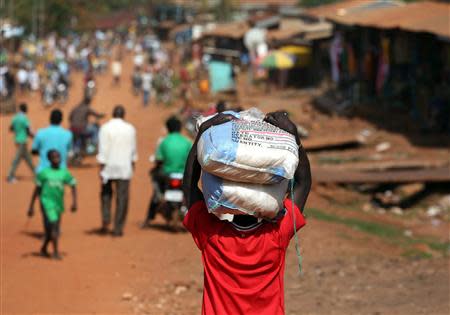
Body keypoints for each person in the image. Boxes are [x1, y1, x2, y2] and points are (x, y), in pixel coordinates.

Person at [182, 111, 311, 315]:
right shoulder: (276, 236)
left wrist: (202, 135)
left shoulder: (212, 236)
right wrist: (295, 137)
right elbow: (304, 184)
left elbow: (189, 187)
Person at [142, 116, 192, 227]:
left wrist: (155, 168)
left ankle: (149, 217)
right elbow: (192, 159)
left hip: (166, 174)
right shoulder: (187, 142)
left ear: (168, 128)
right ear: (180, 128)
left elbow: (159, 159)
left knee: (155, 189)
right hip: (183, 175)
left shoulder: (163, 142)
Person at [28, 150, 77, 260]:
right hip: (46, 203)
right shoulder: (44, 173)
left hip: (58, 203)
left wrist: (74, 202)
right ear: (49, 159)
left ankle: (43, 248)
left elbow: (73, 184)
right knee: (54, 226)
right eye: (54, 157)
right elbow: (37, 189)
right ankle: (55, 252)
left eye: (58, 157)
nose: (57, 159)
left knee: (52, 229)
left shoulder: (64, 173)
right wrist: (31, 206)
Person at [97, 105, 137, 236]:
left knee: (106, 194)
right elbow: (133, 151)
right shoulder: (130, 129)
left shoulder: (105, 128)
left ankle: (106, 218)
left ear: (113, 114)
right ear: (123, 115)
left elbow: (103, 149)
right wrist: (132, 165)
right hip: (124, 168)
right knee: (122, 198)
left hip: (108, 167)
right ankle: (118, 227)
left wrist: (101, 168)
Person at [7, 103, 35, 183]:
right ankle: (10, 176)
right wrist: (34, 136)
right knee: (17, 160)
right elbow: (28, 130)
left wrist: (18, 130)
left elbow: (11, 128)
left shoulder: (15, 118)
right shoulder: (24, 118)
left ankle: (36, 174)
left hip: (17, 140)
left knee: (28, 159)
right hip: (22, 141)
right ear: (25, 109)